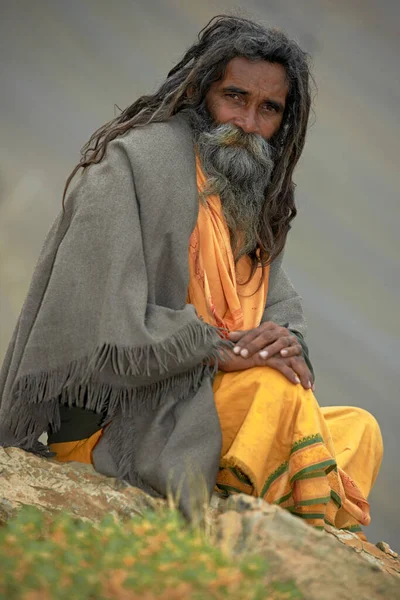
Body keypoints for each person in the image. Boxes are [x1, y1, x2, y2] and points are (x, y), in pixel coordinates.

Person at [0, 16, 383, 535]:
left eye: (268, 108)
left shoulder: (247, 192)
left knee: (361, 429)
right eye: (235, 97)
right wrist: (208, 348)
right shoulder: (133, 165)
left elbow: (277, 305)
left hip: (208, 402)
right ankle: (258, 508)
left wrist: (282, 341)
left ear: (284, 120)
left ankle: (245, 486)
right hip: (120, 422)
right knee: (276, 397)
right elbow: (96, 324)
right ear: (203, 92)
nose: (248, 122)